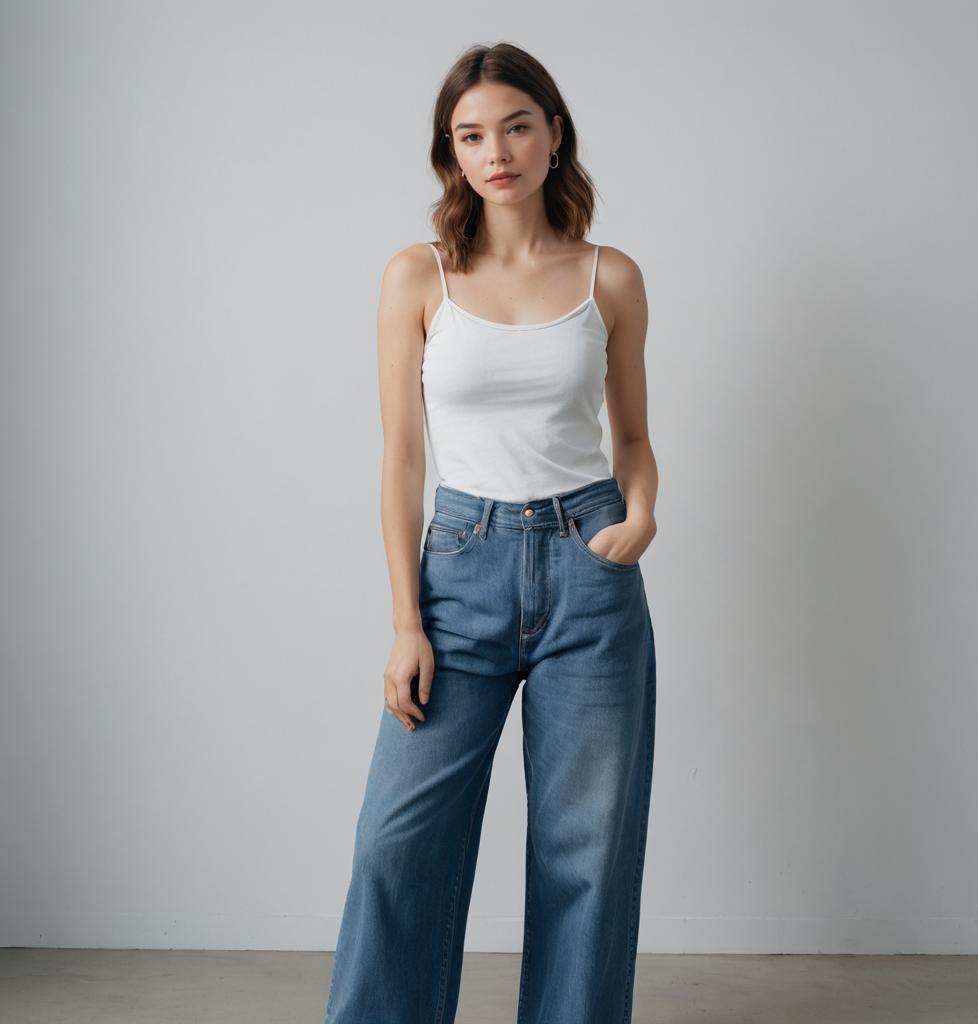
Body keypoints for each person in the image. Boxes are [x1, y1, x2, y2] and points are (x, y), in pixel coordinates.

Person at [323, 41, 659, 1024]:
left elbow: (632, 435)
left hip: (589, 565)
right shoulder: (418, 276)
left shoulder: (611, 277)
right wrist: (404, 622)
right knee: (397, 837)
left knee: (583, 849)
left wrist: (640, 514)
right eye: (470, 134)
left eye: (515, 125)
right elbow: (400, 460)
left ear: (554, 134)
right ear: (450, 155)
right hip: (458, 572)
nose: (496, 150)